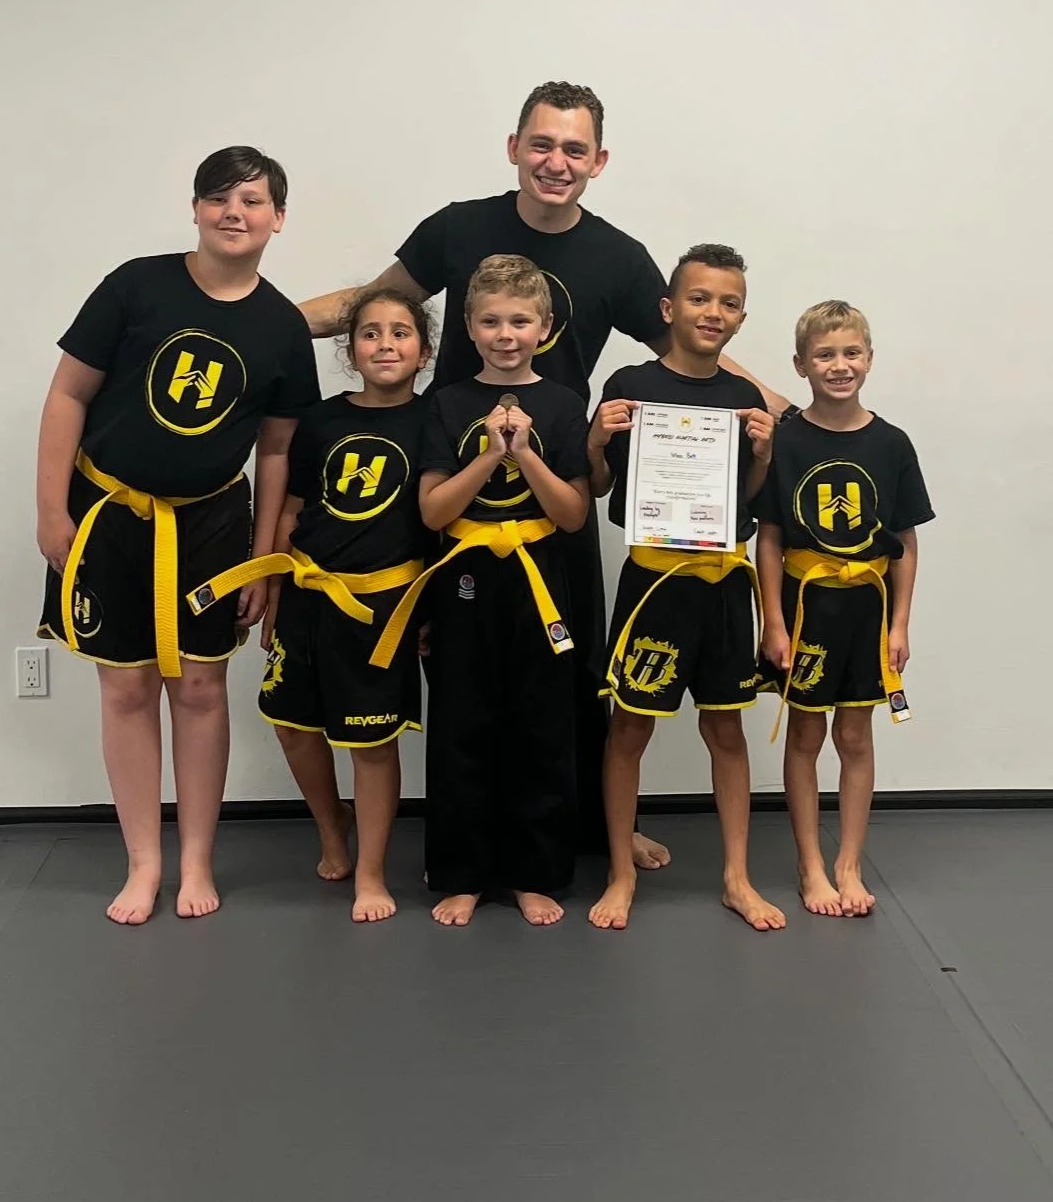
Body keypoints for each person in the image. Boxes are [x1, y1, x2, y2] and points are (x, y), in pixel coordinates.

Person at [300, 81, 790, 869]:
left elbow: (695, 355)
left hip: (559, 477)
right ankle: (466, 844)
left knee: (567, 677)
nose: (554, 162)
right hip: (457, 484)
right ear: (513, 147)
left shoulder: (616, 257)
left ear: (597, 161)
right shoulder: (458, 228)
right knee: (460, 679)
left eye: (572, 149)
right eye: (541, 144)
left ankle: (598, 825)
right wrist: (260, 324)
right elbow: (373, 301)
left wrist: (782, 410)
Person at [35, 147, 320, 925]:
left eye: (253, 200)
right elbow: (67, 394)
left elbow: (276, 450)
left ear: (278, 219)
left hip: (213, 522)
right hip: (110, 514)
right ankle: (143, 860)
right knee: (125, 686)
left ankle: (196, 857)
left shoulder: (281, 328)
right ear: (194, 209)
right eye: (219, 197)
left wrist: (265, 561)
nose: (235, 212)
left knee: (199, 688)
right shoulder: (136, 286)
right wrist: (51, 509)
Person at [187, 289, 433, 922]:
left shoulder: (435, 422)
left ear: (424, 351)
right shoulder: (320, 420)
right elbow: (293, 510)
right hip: (307, 591)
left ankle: (373, 873)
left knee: (372, 741)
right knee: (293, 723)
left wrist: (431, 610)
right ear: (349, 350)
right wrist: (270, 594)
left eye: (400, 333)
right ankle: (332, 827)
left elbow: (440, 525)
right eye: (371, 333)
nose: (385, 344)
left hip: (385, 606)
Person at [369, 255, 590, 926]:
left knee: (539, 727)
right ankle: (460, 873)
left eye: (520, 321)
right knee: (463, 725)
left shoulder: (559, 405)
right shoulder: (449, 403)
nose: (505, 334)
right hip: (463, 579)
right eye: (490, 321)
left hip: (537, 579)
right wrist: (489, 455)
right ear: (467, 326)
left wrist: (525, 453)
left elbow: (573, 515)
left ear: (544, 327)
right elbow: (433, 511)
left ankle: (533, 872)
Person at [587, 244, 786, 933]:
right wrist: (593, 439)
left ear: (740, 317)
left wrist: (761, 456)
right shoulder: (629, 381)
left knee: (724, 728)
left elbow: (747, 501)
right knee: (628, 728)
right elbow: (598, 485)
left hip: (722, 585)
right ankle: (619, 871)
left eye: (728, 303)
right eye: (699, 299)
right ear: (669, 308)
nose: (713, 312)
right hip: (653, 583)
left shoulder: (742, 398)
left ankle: (736, 877)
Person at [755, 301, 934, 918]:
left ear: (869, 360)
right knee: (806, 731)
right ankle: (810, 864)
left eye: (851, 353)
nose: (839, 366)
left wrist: (900, 622)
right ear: (801, 364)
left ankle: (849, 862)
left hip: (868, 607)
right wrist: (772, 623)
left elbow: (905, 540)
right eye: (825, 355)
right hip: (807, 608)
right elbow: (771, 536)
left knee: (855, 734)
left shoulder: (892, 442)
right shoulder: (787, 439)